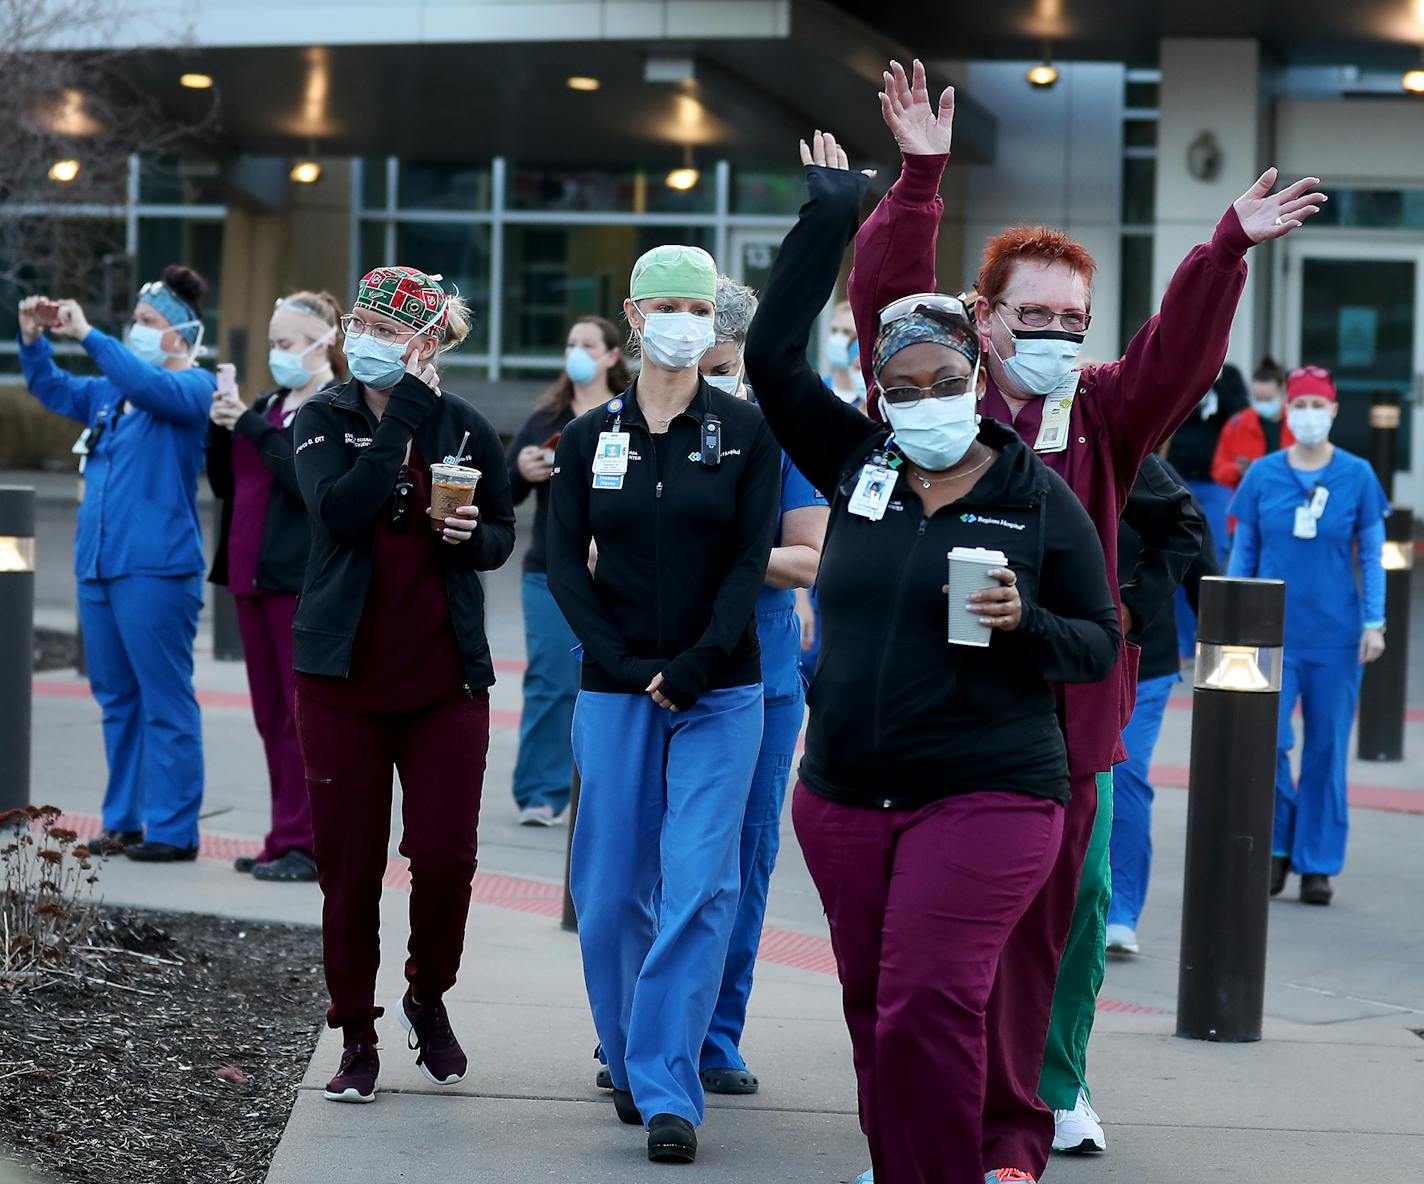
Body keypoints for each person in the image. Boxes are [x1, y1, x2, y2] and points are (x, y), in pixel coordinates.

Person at [849, 58, 1323, 1182]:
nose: (1057, 335)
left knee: (1039, 944)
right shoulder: (929, 395)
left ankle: (1015, 1135)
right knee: (907, 956)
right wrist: (919, 179)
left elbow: (1178, 354)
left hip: (1053, 722)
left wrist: (1223, 252)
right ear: (983, 316)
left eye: (1074, 319)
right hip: (915, 715)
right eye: (1035, 316)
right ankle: (911, 1139)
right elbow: (883, 304)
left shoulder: (1099, 413)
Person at [745, 132, 1120, 1184]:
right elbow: (773, 358)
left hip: (989, 788)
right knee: (873, 1001)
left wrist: (1026, 626)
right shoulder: (858, 460)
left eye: (942, 377)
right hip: (845, 792)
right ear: (877, 390)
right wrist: (827, 214)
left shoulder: (1032, 495)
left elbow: (1094, 641)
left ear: (975, 373)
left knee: (929, 994)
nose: (923, 398)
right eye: (900, 384)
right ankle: (904, 1160)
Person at [546, 244, 780, 1164]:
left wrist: (692, 663)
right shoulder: (585, 437)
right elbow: (563, 561)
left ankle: (669, 1086)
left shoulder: (744, 432)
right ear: (635, 319)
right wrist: (619, 658)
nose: (685, 323)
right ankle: (629, 1050)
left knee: (699, 885)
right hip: (614, 686)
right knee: (605, 893)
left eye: (701, 307)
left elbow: (747, 563)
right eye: (667, 306)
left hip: (719, 688)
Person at [291, 266, 516, 1103]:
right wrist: (403, 422)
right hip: (342, 683)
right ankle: (355, 1028)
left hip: (443, 684)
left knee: (449, 859)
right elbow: (342, 513)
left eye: (384, 329)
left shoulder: (465, 427)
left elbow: (500, 532)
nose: (364, 340)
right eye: (359, 322)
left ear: (423, 343)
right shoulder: (323, 416)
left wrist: (470, 534)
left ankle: (427, 996)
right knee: (349, 867)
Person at [17, 267, 216, 862]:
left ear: (180, 335)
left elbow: (147, 384)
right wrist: (32, 339)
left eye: (148, 323)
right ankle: (124, 819)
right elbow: (53, 389)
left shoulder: (193, 389)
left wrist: (91, 336)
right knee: (117, 699)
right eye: (134, 321)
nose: (136, 331)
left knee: (165, 700)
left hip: (155, 569)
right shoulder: (111, 394)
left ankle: (173, 829)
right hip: (100, 566)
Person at [1045, 455, 1207, 1158]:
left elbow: (1181, 522)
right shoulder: (940, 408)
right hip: (955, 690)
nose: (1047, 339)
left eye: (1068, 332)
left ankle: (1058, 1082)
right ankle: (940, 1088)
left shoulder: (1091, 422)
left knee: (1082, 882)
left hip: (1086, 682)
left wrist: (1132, 607)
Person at [696, 274, 828, 1094]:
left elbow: (809, 556)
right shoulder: (624, 430)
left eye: (720, 362)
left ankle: (715, 1035)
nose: (705, 374)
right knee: (657, 858)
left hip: (764, 675)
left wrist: (713, 563)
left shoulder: (777, 433)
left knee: (743, 856)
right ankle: (639, 1029)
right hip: (658, 674)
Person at [1228, 365, 1388, 908]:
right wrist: (1234, 624)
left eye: (1319, 407)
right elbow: (1242, 552)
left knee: (1326, 749)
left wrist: (1374, 622)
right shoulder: (1264, 476)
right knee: (1268, 744)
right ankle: (1277, 845)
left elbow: (1372, 553)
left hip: (1337, 637)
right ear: (1289, 412)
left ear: (1334, 411)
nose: (1309, 416)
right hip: (1272, 636)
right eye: (1301, 406)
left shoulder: (1359, 476)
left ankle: (1317, 862)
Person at [207, 291, 346, 882]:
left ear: (324, 342)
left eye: (288, 344)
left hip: (297, 579)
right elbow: (225, 484)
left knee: (300, 718)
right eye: (273, 344)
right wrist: (223, 428)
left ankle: (306, 842)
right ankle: (281, 834)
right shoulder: (267, 403)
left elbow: (303, 482)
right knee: (269, 715)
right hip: (250, 576)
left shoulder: (334, 407)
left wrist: (250, 426)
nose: (278, 354)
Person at [505, 316, 632, 826]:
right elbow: (502, 493)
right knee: (551, 680)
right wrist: (522, 471)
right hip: (552, 572)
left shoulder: (630, 414)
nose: (576, 352)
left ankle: (605, 791)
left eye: (587, 344)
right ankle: (540, 790)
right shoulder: (546, 420)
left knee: (610, 684)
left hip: (621, 573)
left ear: (610, 356)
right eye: (570, 342)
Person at [1105, 460, 1219, 963]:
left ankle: (1120, 913)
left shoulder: (1154, 475)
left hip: (1143, 661)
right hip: (1056, 650)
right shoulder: (1040, 458)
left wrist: (1223, 648)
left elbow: (1199, 560)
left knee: (1125, 775)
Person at [1165, 364, 1243, 656]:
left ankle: (1212, 631)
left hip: (1215, 484)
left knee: (1215, 554)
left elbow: (1239, 410)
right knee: (1178, 556)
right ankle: (1185, 642)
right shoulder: (1182, 369)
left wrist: (1216, 378)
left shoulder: (1230, 377)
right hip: (1180, 478)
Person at [1212, 356, 1293, 493]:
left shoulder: (1296, 424)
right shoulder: (1237, 424)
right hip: (1250, 501)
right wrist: (1238, 469)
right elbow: (1219, 471)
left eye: (1268, 399)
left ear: (1283, 392)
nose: (1262, 405)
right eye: (1258, 399)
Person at [823, 299, 866, 409]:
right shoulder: (817, 389)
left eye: (847, 332)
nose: (837, 338)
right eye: (834, 330)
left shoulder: (868, 399)